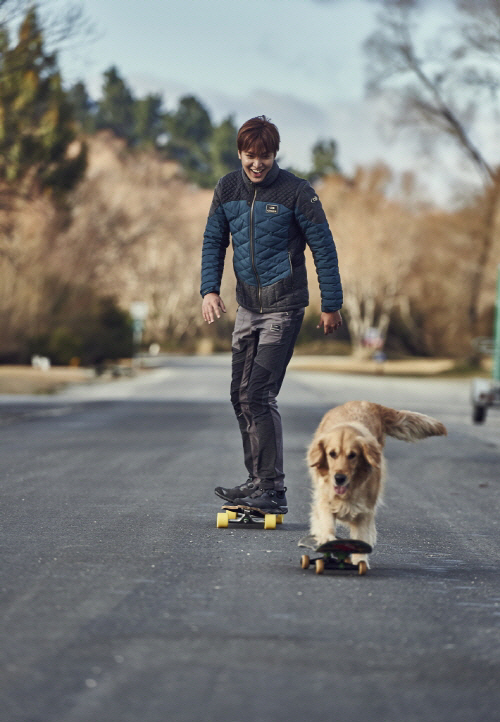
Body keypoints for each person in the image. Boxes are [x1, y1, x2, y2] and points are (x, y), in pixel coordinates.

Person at [200, 115, 342, 516]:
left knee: (259, 393)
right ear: (240, 153)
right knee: (239, 395)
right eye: (250, 156)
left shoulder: (297, 191)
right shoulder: (227, 188)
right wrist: (209, 289)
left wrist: (331, 303)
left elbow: (324, 247)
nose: (257, 164)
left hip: (284, 306)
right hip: (247, 306)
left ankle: (274, 490)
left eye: (264, 156)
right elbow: (214, 240)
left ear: (274, 154)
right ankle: (257, 480)